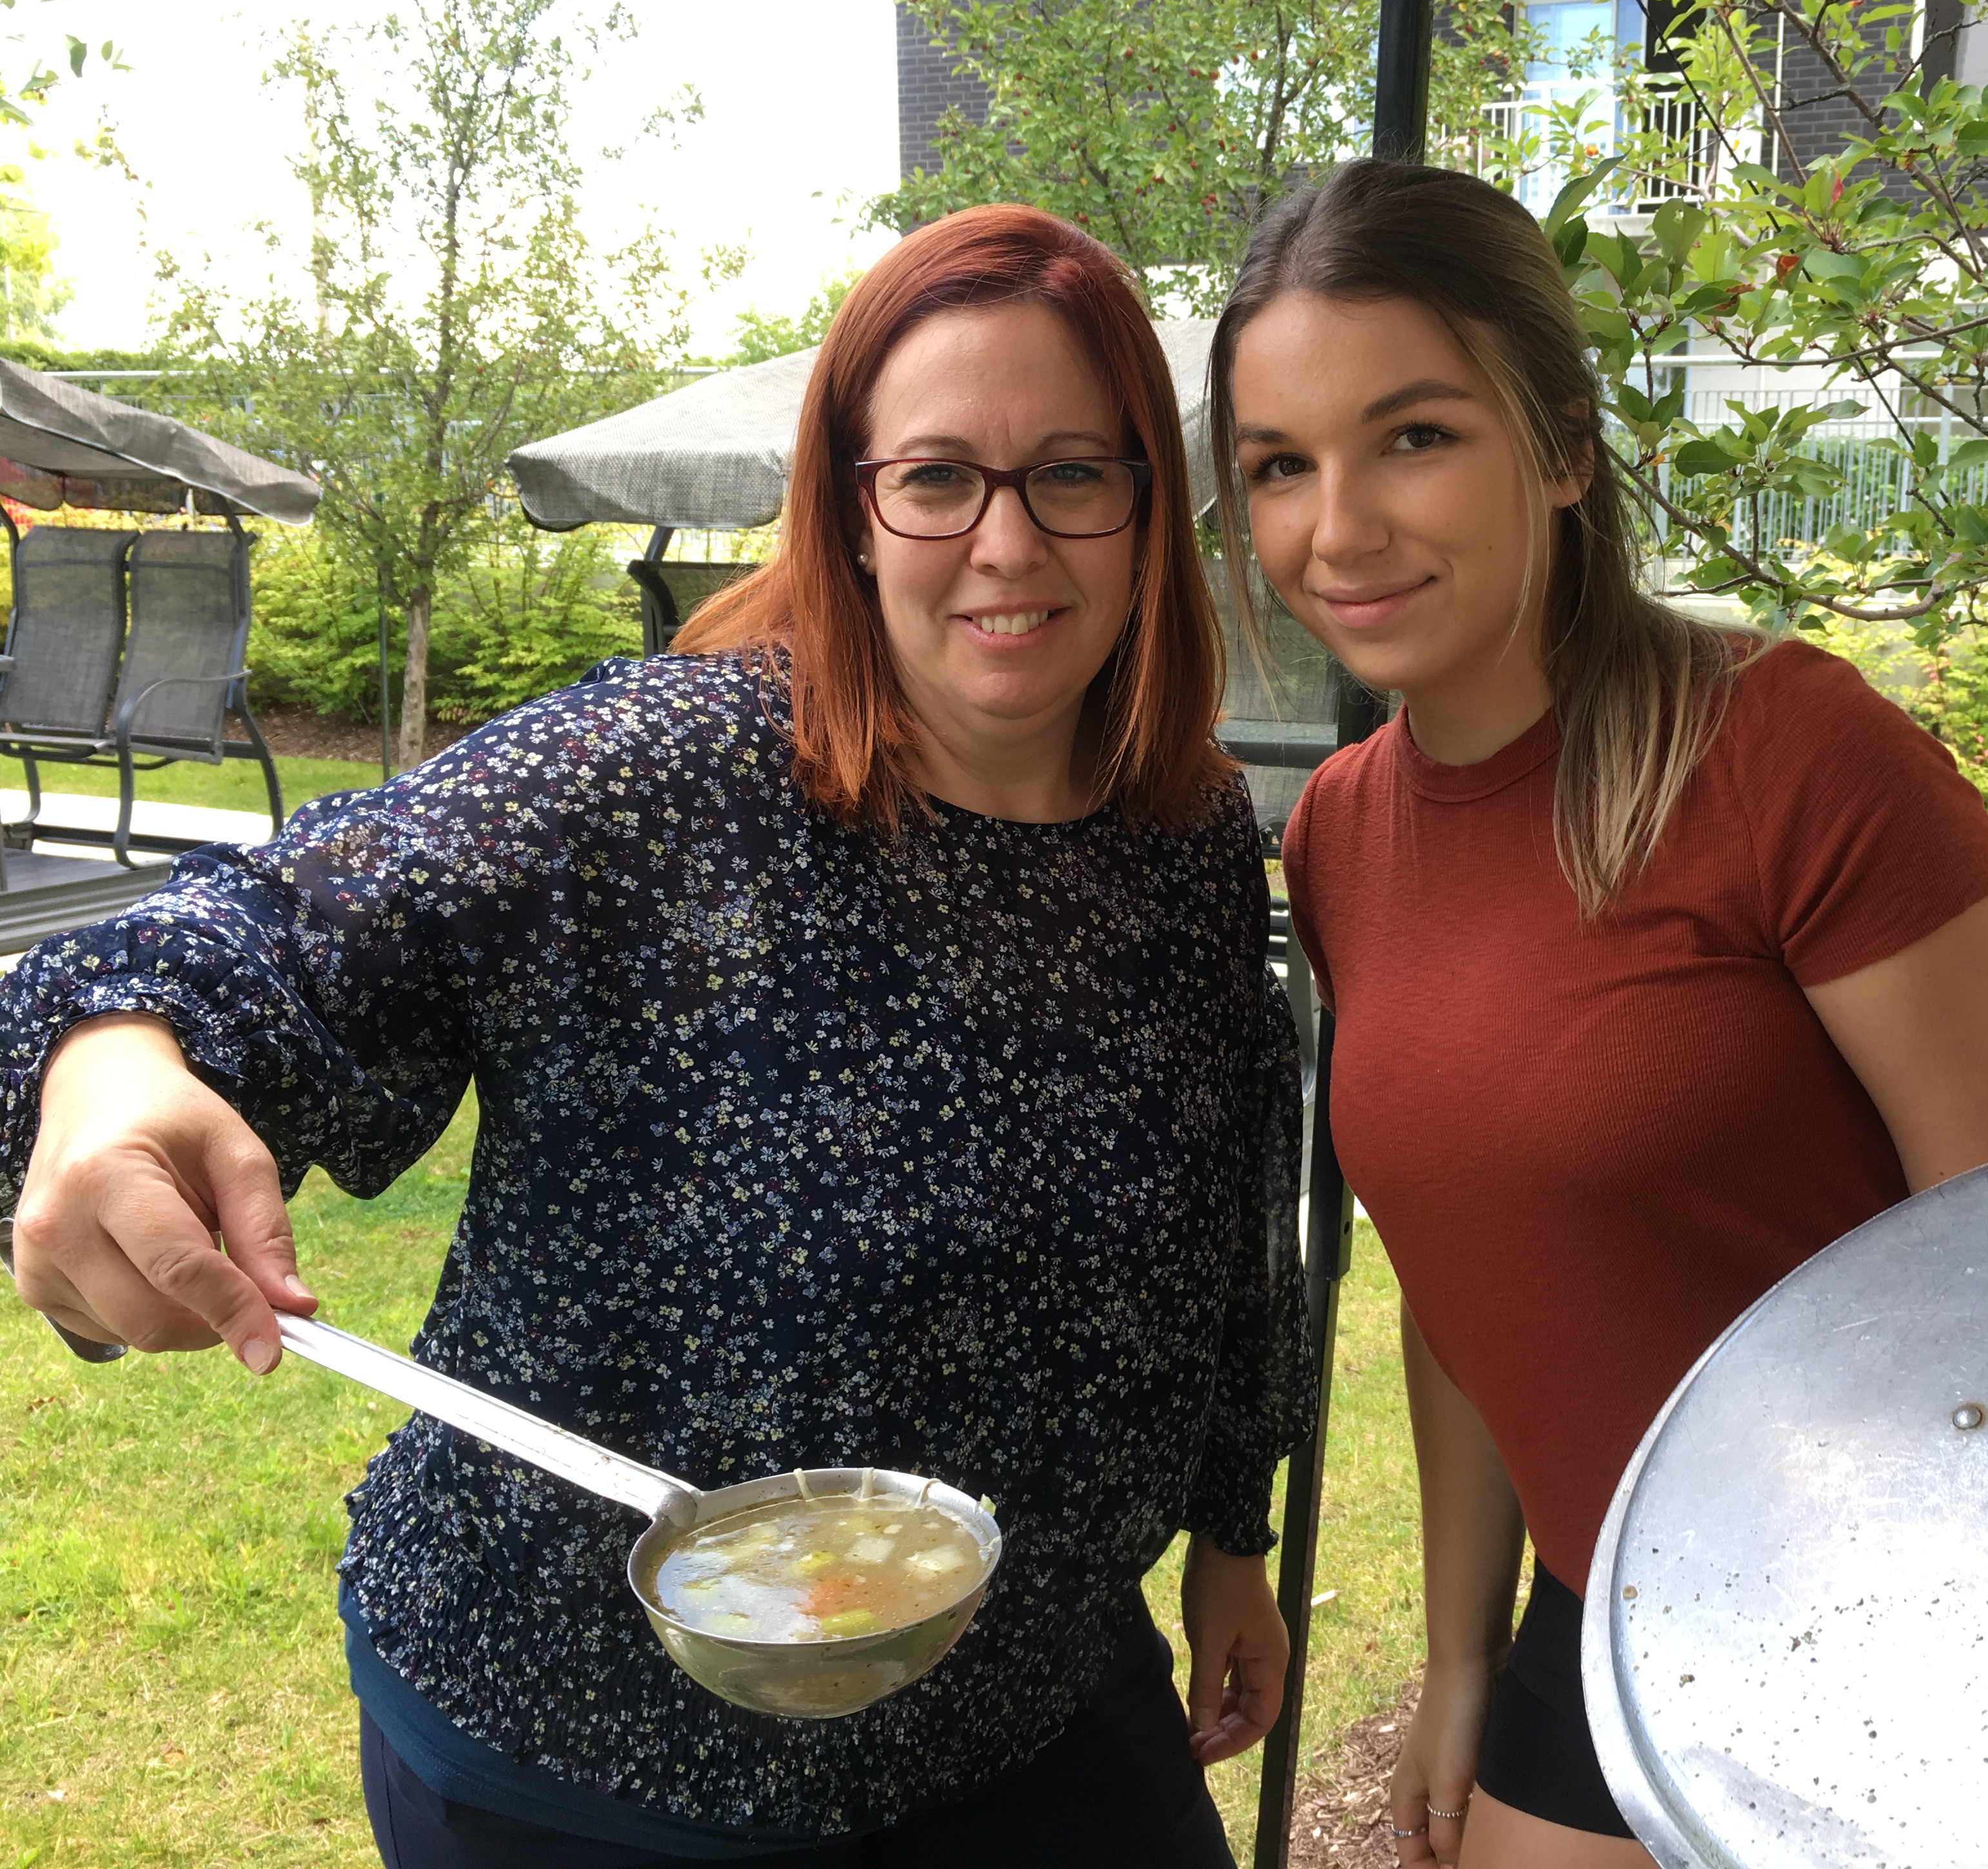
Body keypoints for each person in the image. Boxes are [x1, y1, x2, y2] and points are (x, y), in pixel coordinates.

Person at [1, 204, 1310, 1868]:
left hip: (1028, 1701)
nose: (1007, 540)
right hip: (578, 1748)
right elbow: (252, 931)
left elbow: (1228, 1223)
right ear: (848, 509)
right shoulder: (649, 778)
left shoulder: (1187, 843)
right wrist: (112, 1069)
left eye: (1073, 471)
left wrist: (1230, 1535)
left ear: (1145, 512)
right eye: (934, 477)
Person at [1209, 160, 1988, 1868]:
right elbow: (1466, 1286)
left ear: (1564, 448)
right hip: (1602, 1596)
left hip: (1900, 1635)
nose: (1340, 527)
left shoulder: (1794, 756)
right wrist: (1460, 1661)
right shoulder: (1342, 835)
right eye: (1280, 467)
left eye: (1415, 437)